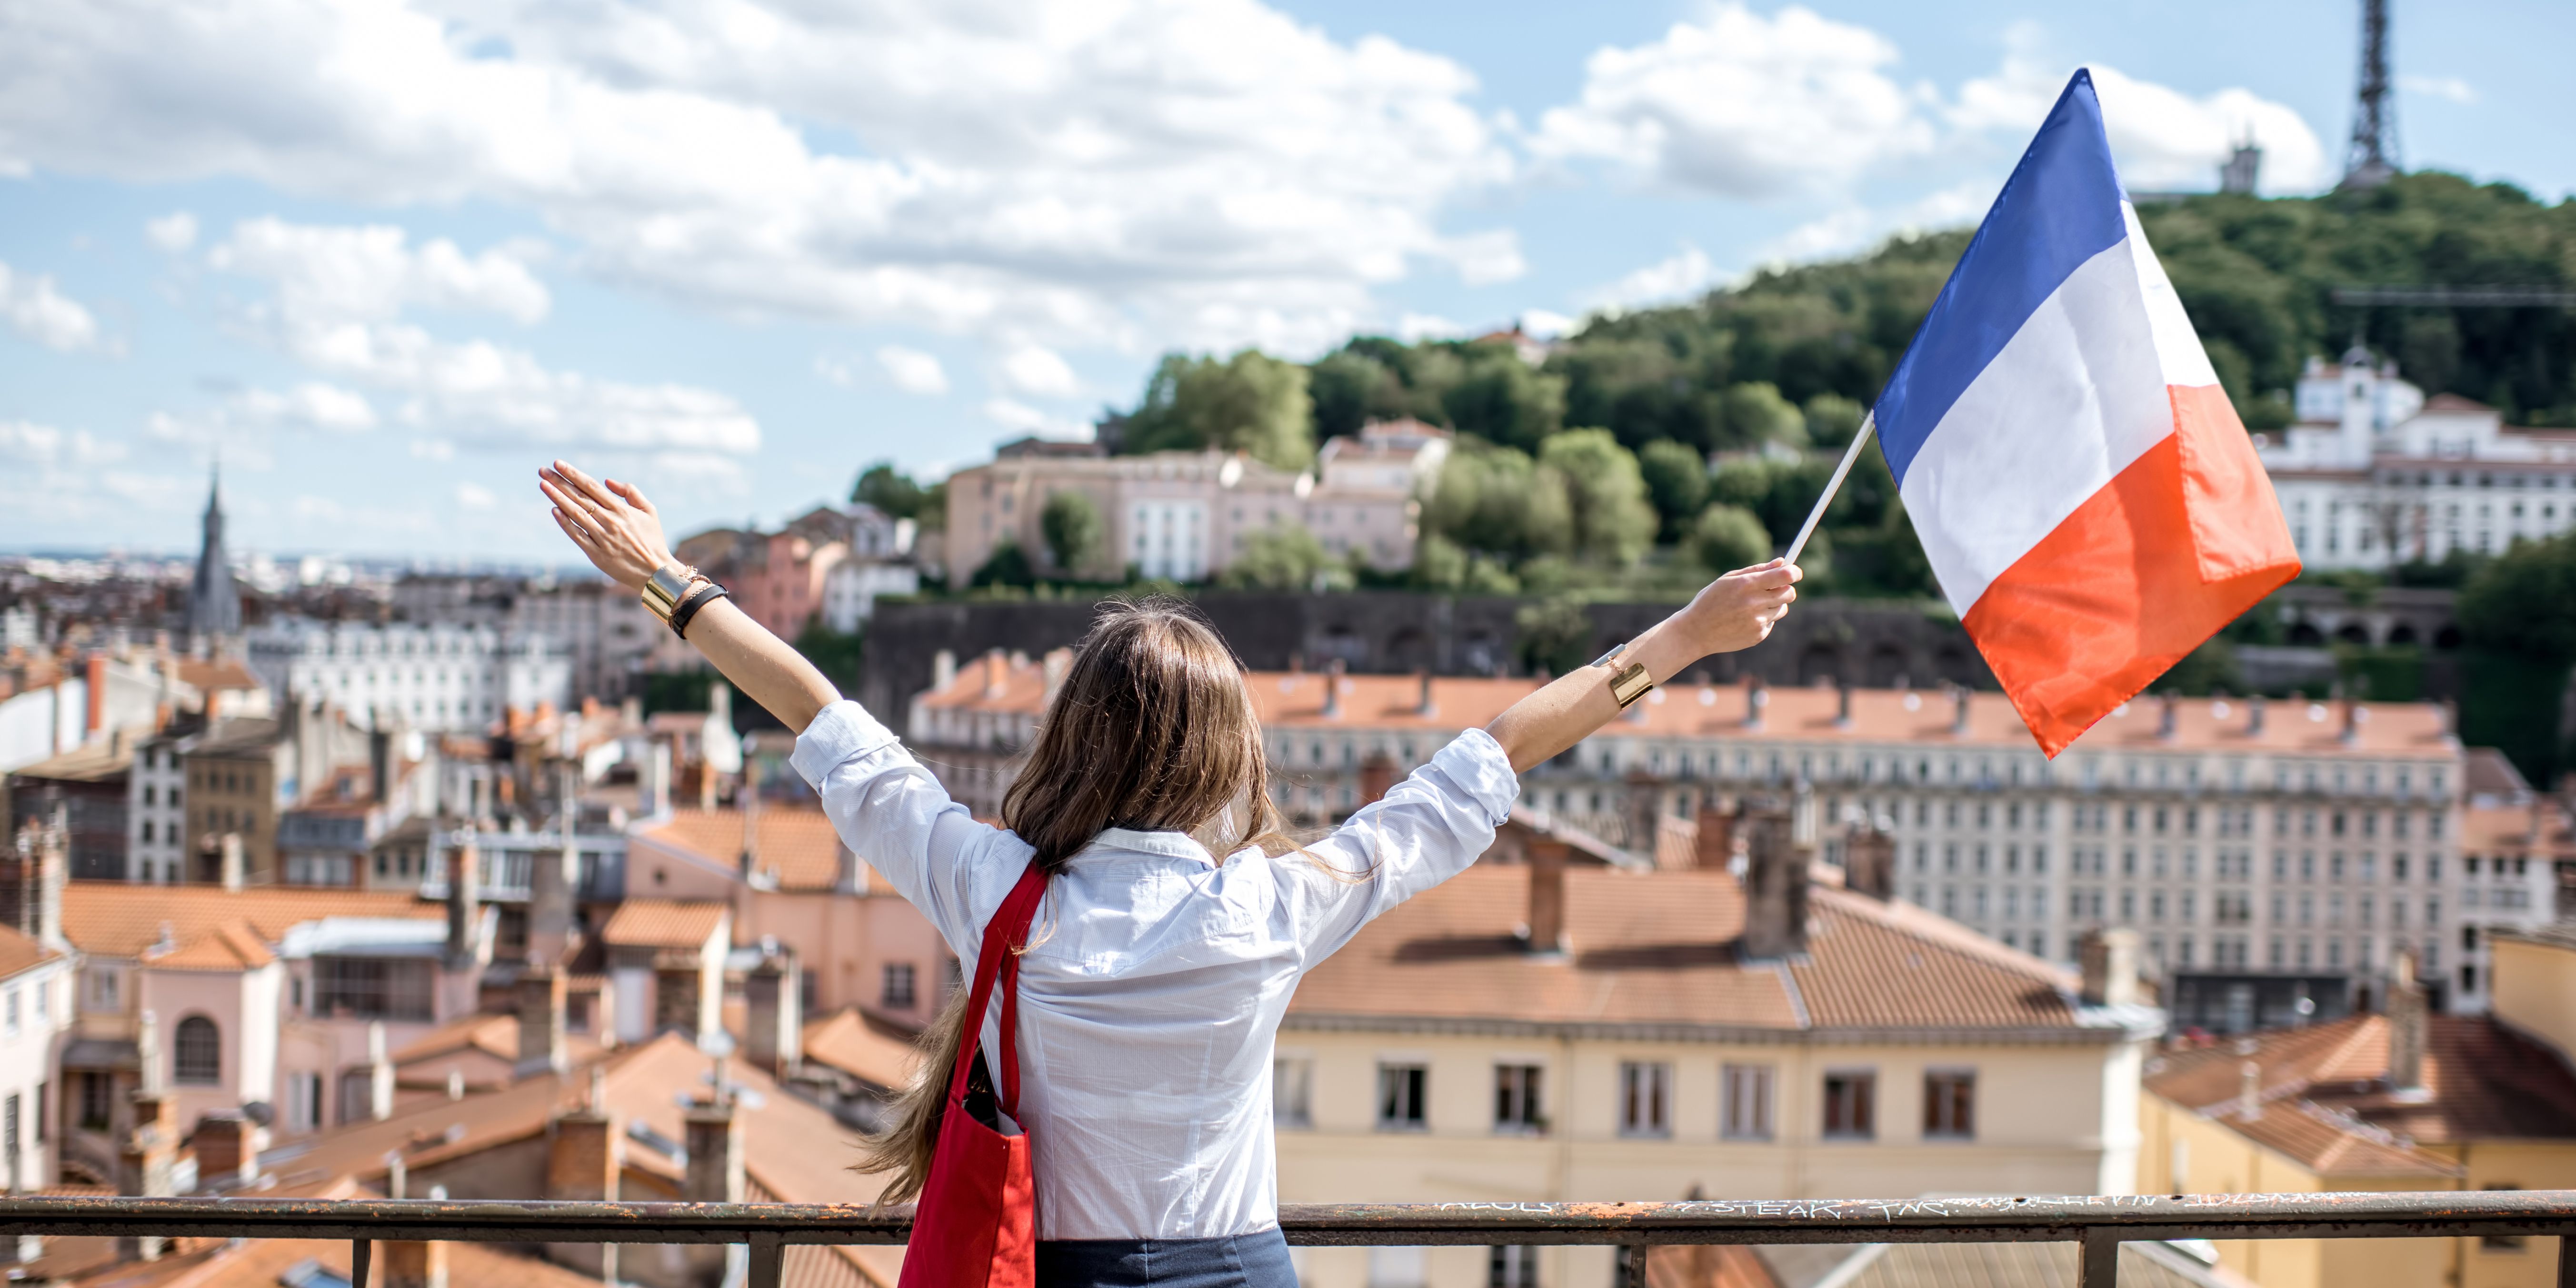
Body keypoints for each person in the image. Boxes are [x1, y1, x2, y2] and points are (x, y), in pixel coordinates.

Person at [537, 459, 1800, 1288]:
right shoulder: (1271, 906)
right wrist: (1685, 636)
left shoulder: (996, 896)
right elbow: (1498, 749)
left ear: (1071, 736)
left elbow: (821, 717)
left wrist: (667, 579)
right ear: (1226, 755)